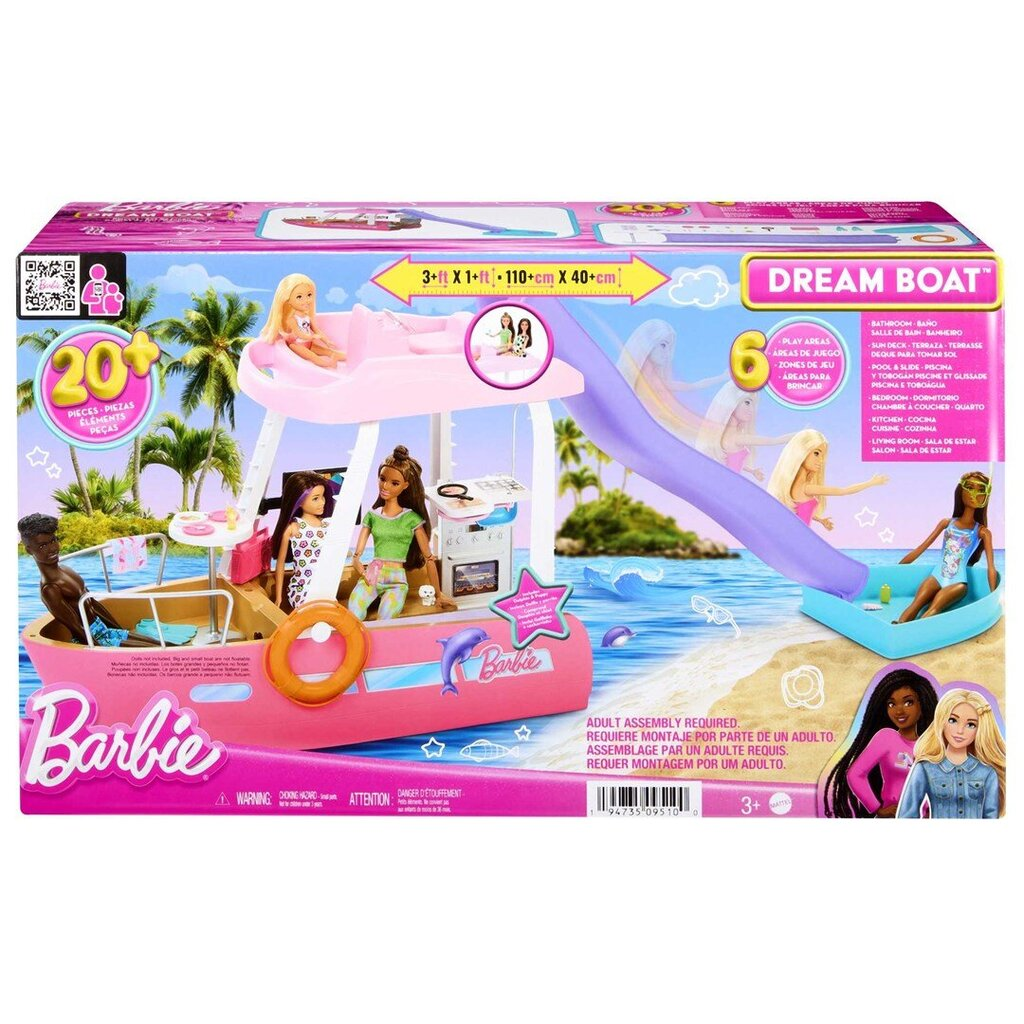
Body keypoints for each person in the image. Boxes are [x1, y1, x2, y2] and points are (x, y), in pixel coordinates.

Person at [18, 513, 160, 647]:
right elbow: (76, 627)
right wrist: (97, 650)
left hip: (103, 630)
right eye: (42, 546)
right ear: (29, 550)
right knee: (155, 650)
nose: (52, 548)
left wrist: (120, 630)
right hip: (91, 639)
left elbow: (92, 603)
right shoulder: (50, 589)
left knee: (160, 644)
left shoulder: (66, 570)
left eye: (53, 540)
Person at [348, 446, 456, 620]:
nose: (385, 486)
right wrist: (360, 568)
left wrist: (438, 594)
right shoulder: (372, 516)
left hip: (396, 581)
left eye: (394, 483)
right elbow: (357, 555)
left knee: (385, 619)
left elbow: (429, 558)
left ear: (405, 485)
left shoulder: (411, 519)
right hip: (373, 574)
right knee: (353, 613)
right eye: (382, 479)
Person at [822, 668, 938, 817]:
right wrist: (877, 808)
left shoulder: (933, 744)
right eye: (891, 704)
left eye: (908, 702)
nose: (899, 711)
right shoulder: (887, 738)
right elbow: (855, 774)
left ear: (922, 704)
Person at [895, 472, 998, 623]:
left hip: (958, 583)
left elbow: (991, 567)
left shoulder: (982, 532)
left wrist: (993, 596)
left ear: (985, 496)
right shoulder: (946, 523)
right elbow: (922, 548)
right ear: (961, 490)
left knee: (934, 608)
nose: (974, 493)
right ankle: (897, 627)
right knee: (916, 604)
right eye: (970, 487)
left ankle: (913, 632)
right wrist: (897, 569)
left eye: (980, 490)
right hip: (936, 576)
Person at [897, 688, 1005, 818]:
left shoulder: (987, 773)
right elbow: (906, 816)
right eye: (953, 720)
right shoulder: (925, 769)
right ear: (941, 721)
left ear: (980, 729)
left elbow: (991, 818)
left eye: (971, 724)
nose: (960, 731)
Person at [766, 429, 887, 531]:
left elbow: (800, 510)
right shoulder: (806, 488)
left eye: (822, 456)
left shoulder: (791, 486)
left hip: (799, 535)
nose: (821, 460)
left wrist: (820, 520)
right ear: (801, 452)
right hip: (800, 538)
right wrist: (871, 482)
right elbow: (843, 491)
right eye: (816, 453)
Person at [695, 381, 794, 482]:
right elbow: (773, 440)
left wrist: (752, 471)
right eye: (747, 403)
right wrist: (800, 434)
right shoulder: (737, 438)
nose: (752, 410)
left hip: (729, 482)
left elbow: (733, 461)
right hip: (731, 483)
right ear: (732, 404)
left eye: (753, 405)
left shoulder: (725, 436)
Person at [271, 471, 340, 609]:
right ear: (300, 501)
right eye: (315, 499)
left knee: (332, 614)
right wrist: (279, 597)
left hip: (325, 587)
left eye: (322, 497)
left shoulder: (328, 525)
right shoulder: (294, 528)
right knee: (314, 612)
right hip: (302, 588)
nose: (322, 502)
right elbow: (280, 565)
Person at [261, 273, 345, 368]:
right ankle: (328, 364)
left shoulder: (307, 317)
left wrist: (326, 341)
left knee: (328, 351)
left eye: (309, 295)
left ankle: (341, 356)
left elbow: (317, 330)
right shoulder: (291, 319)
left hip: (308, 343)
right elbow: (299, 334)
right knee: (312, 356)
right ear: (288, 300)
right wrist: (311, 337)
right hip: (297, 345)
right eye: (299, 297)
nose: (306, 300)